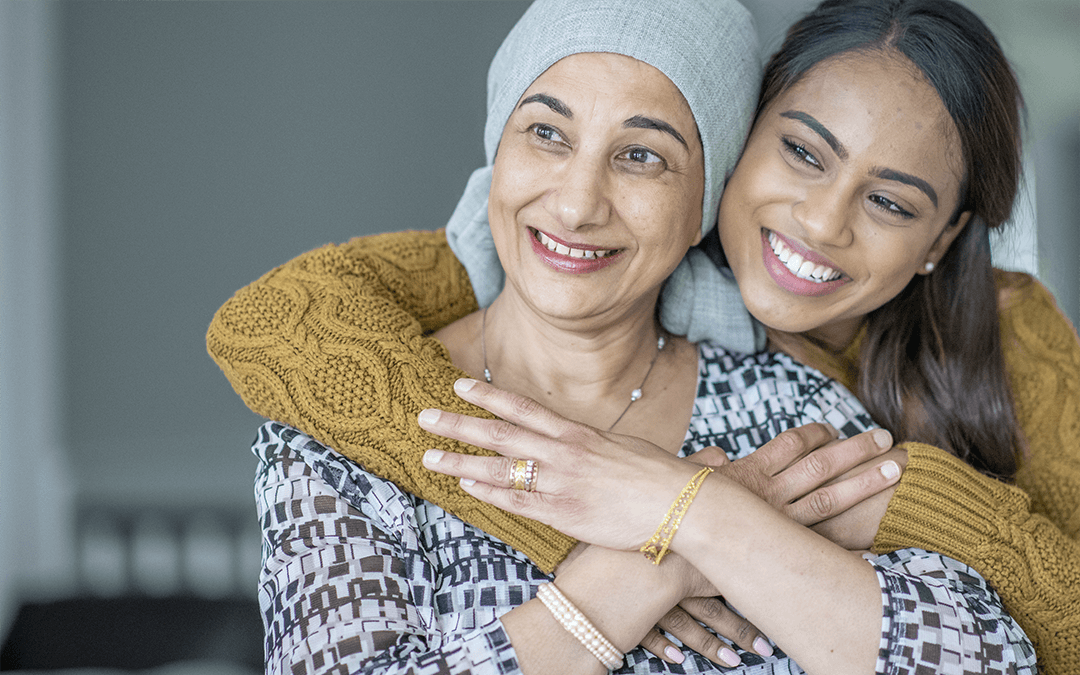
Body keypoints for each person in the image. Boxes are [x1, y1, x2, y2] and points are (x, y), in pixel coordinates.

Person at [207, 0, 1049, 672]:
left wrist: (700, 511)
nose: (577, 203)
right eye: (545, 132)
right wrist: (644, 570)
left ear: (704, 204)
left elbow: (1000, 656)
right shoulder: (343, 425)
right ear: (496, 151)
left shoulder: (793, 405)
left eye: (642, 156)